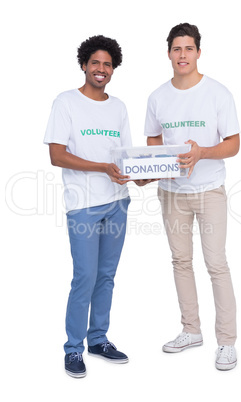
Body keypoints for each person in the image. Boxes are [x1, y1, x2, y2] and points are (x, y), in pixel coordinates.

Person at [44, 35, 151, 378]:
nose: (101, 69)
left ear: (113, 69)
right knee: (85, 277)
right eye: (95, 63)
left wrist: (141, 175)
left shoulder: (118, 107)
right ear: (84, 65)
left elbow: (122, 158)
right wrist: (102, 168)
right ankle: (73, 349)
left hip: (117, 203)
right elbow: (57, 155)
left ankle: (98, 340)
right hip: (84, 206)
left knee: (106, 277)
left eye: (108, 64)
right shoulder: (66, 102)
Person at [144, 23, 240, 370]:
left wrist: (202, 154)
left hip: (209, 189)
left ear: (198, 52)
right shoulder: (158, 97)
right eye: (176, 49)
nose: (182, 55)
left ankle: (226, 342)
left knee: (216, 264)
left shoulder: (218, 93)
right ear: (169, 53)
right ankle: (191, 330)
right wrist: (155, 166)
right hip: (171, 193)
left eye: (188, 49)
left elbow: (233, 144)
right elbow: (153, 140)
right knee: (181, 262)